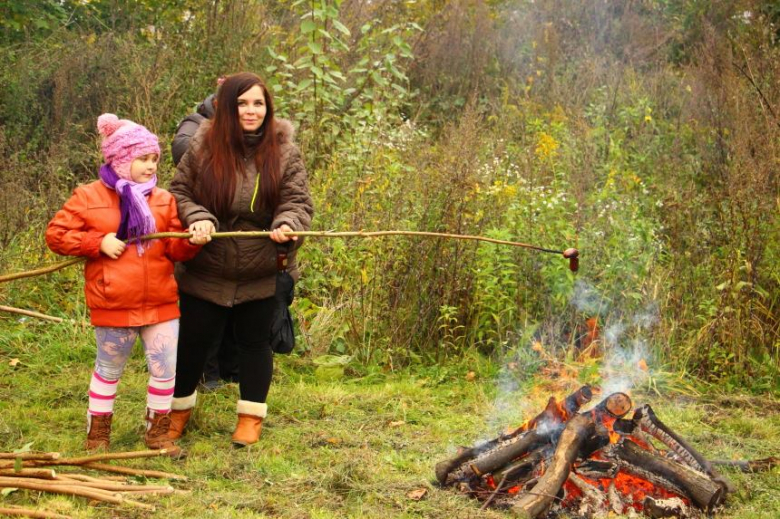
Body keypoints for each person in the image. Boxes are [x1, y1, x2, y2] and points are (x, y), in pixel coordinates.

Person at [46, 114, 208, 455]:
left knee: (165, 370)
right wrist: (96, 243)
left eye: (154, 159)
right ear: (120, 159)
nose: (151, 167)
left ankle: (157, 435)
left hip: (161, 302)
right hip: (114, 302)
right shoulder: (88, 196)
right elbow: (56, 235)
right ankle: (97, 437)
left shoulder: (162, 199)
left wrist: (192, 240)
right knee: (108, 371)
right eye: (142, 159)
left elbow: (175, 248)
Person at [168, 72, 314, 447]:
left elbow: (297, 202)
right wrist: (197, 217)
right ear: (227, 108)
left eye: (258, 103)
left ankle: (250, 418)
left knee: (254, 345)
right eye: (243, 103)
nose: (251, 111)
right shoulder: (202, 148)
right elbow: (179, 192)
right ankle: (178, 412)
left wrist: (287, 224)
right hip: (207, 265)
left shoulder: (285, 153)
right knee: (193, 344)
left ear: (268, 108)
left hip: (261, 268)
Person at [171, 89, 240, 390]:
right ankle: (206, 376)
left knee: (234, 313)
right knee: (205, 312)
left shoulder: (254, 131)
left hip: (238, 235)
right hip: (204, 229)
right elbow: (180, 149)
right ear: (217, 104)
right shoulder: (195, 122)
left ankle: (230, 373)